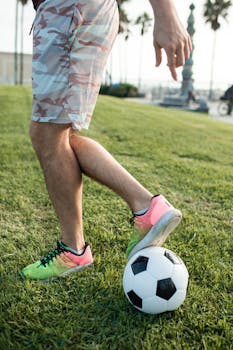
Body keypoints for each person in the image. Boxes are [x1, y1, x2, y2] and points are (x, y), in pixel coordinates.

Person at [21, 0, 192, 281]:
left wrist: (165, 12)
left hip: (69, 10)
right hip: (67, 12)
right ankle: (147, 207)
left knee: (48, 134)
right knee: (56, 135)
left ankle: (76, 250)